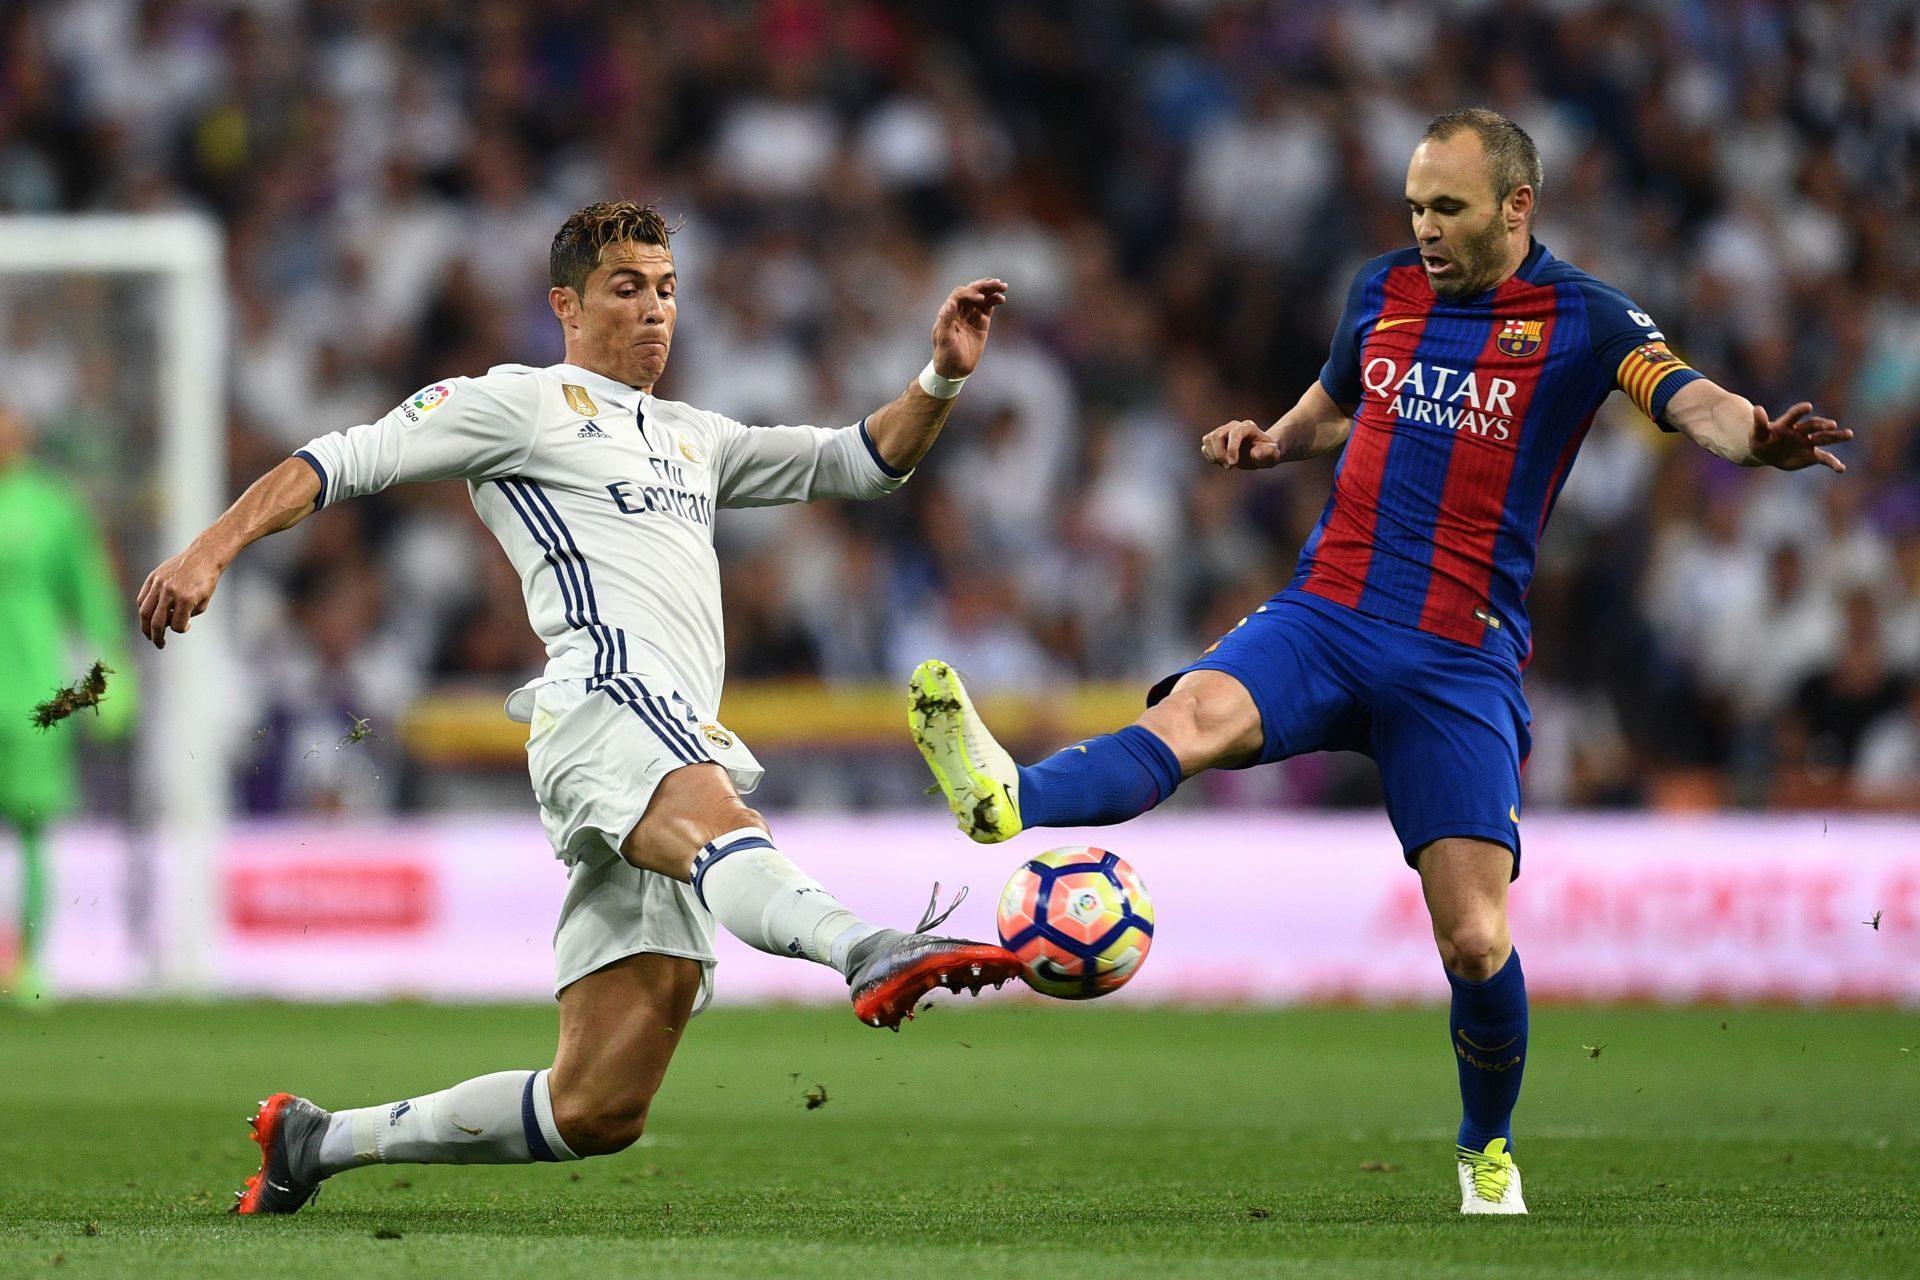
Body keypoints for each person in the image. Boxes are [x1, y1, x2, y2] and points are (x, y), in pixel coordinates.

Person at [908, 109, 1850, 1216]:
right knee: (1193, 716)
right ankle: (1005, 796)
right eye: (1415, 206)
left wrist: (1756, 438)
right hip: (1329, 608)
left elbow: (1688, 396)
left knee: (1474, 933)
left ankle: (1485, 1147)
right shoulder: (1382, 289)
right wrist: (1272, 436)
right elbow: (1334, 406)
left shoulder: (1583, 316)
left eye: (1447, 208)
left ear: (1516, 207)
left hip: (1458, 658)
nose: (1426, 228)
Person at [136, 201, 1018, 1214]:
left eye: (667, 289)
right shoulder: (520, 402)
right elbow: (341, 458)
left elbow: (861, 460)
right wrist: (211, 547)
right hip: (602, 699)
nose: (654, 310)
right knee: (720, 817)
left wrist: (942, 373)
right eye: (627, 287)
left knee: (596, 1106)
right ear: (566, 303)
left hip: (669, 728)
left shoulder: (696, 436)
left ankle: (318, 1137)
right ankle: (868, 948)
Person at [0, 401, 138, 1006]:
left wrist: (112, 677)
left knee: (33, 830)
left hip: (31, 696)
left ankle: (30, 966)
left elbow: (92, 601)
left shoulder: (53, 506)